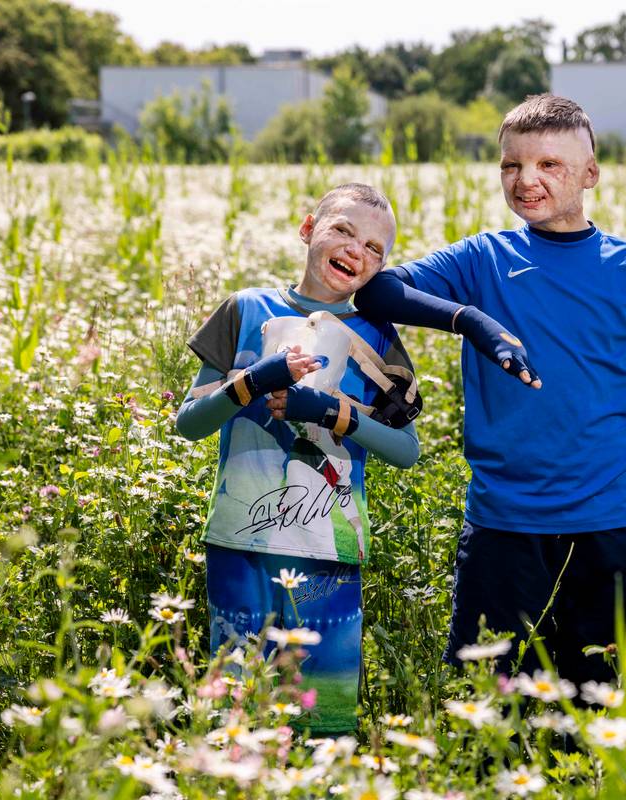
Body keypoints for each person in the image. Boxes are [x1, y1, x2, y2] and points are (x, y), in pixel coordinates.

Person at [353, 94, 626, 688]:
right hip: (503, 526)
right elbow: (377, 292)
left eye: (549, 164)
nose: (527, 179)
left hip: (607, 527)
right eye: (512, 165)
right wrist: (470, 320)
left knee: (597, 707)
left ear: (591, 173)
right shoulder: (483, 258)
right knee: (484, 706)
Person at [174, 183, 422, 734]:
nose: (356, 250)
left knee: (324, 717)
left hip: (330, 550)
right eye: (343, 231)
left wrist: (335, 413)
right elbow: (189, 423)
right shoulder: (244, 310)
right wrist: (252, 381)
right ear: (309, 229)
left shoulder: (376, 338)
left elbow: (408, 449)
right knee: (234, 712)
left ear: (380, 267)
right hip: (239, 543)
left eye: (374, 248)